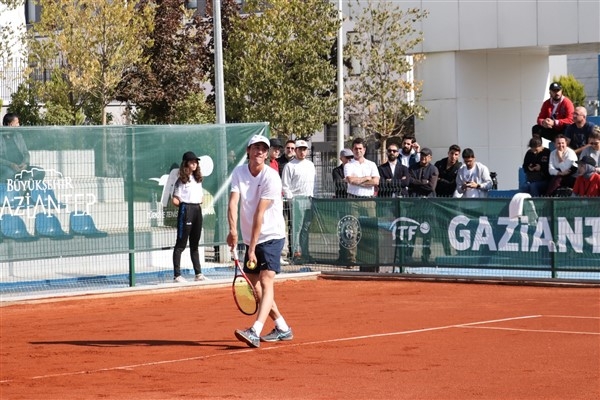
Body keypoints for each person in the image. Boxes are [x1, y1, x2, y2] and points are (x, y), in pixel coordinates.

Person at [227, 135, 292, 348]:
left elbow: (259, 215)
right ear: (248, 150)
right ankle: (282, 326)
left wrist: (252, 249)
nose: (261, 152)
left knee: (266, 280)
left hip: (272, 236)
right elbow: (233, 203)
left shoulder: (271, 177)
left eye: (264, 149)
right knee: (254, 287)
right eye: (257, 148)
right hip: (251, 238)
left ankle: (255, 330)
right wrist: (233, 232)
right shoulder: (238, 172)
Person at [171, 151, 208, 282]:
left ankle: (198, 274)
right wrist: (184, 208)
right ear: (186, 163)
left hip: (197, 209)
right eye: (192, 162)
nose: (195, 164)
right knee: (180, 244)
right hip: (186, 210)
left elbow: (201, 197)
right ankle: (177, 275)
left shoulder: (198, 179)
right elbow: (175, 200)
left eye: (196, 162)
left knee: (195, 244)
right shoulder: (181, 180)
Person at [344, 138, 380, 266]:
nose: (358, 151)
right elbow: (351, 180)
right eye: (356, 148)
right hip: (353, 200)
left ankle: (369, 258)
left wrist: (360, 180)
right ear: (352, 150)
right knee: (351, 230)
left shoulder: (372, 164)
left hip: (369, 200)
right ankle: (351, 259)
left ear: (364, 150)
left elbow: (376, 182)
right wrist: (366, 178)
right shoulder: (348, 165)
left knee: (370, 230)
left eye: (360, 148)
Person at [281, 139, 315, 261]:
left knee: (306, 227)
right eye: (300, 149)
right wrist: (291, 200)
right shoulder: (290, 166)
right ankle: (295, 253)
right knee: (296, 228)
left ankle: (305, 252)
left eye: (304, 149)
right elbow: (285, 185)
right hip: (296, 200)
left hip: (309, 199)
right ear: (295, 150)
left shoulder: (310, 165)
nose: (302, 152)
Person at [0, 113, 44, 183]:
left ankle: (25, 190)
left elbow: (26, 153)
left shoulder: (18, 136)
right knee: (10, 173)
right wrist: (11, 165)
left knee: (39, 172)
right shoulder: (1, 137)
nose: (19, 125)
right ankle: (13, 191)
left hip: (21, 166)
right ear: (10, 124)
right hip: (6, 167)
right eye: (17, 123)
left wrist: (25, 164)